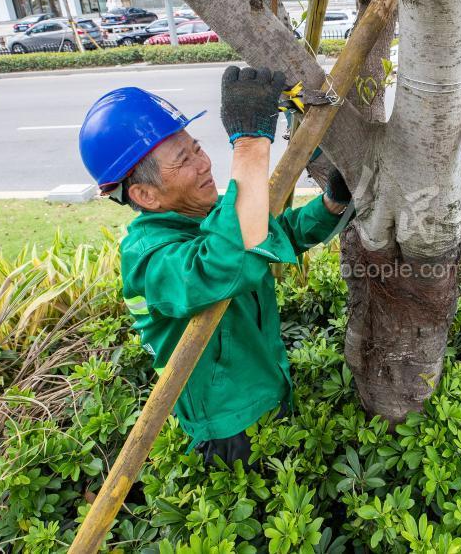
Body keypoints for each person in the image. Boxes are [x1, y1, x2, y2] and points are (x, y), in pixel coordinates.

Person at [78, 66, 351, 468]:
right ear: (145, 195)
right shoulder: (149, 258)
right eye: (183, 160)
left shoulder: (206, 214)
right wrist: (250, 145)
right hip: (227, 426)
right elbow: (226, 262)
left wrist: (331, 205)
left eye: (197, 148)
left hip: (269, 383)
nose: (204, 163)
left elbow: (274, 235)